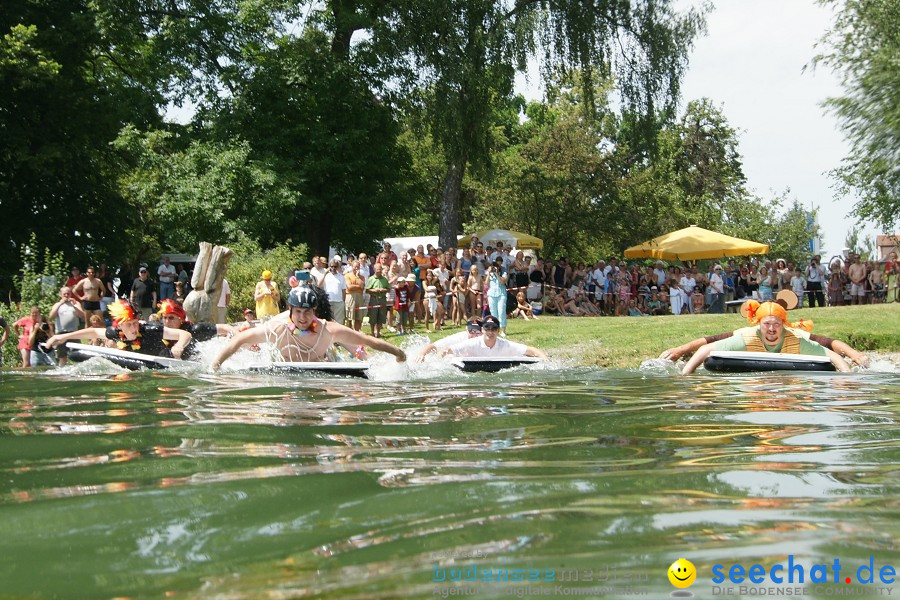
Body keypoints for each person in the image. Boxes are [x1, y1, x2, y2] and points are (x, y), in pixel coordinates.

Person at [211, 285, 406, 369]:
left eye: (307, 312)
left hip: (319, 372)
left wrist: (398, 352)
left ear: (315, 311)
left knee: (351, 352)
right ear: (290, 311)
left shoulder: (329, 329)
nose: (303, 318)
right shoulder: (276, 328)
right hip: (285, 377)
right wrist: (216, 365)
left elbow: (366, 340)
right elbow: (239, 340)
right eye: (298, 312)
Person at [677, 296, 853, 374]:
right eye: (766, 324)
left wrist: (847, 378)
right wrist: (686, 376)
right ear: (759, 323)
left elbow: (831, 354)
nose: (771, 328)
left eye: (776, 324)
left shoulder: (795, 340)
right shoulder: (748, 337)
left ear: (783, 324)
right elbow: (705, 349)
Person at [46, 299, 192, 360]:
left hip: (165, 361)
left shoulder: (149, 329)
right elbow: (94, 331)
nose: (135, 327)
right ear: (120, 325)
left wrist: (179, 345)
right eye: (129, 324)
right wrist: (62, 337)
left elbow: (185, 334)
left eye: (135, 322)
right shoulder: (117, 332)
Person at [156, 299, 234, 358]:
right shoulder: (160, 331)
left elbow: (224, 327)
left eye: (171, 318)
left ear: (181, 319)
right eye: (164, 318)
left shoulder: (195, 330)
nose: (167, 321)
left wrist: (238, 336)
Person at [442, 315, 546, 359]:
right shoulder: (472, 343)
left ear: (498, 331)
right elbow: (448, 350)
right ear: (482, 330)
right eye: (487, 328)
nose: (490, 332)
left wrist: (545, 360)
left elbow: (531, 350)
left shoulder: (506, 344)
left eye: (494, 329)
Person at [415, 318, 483, 362]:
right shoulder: (460, 337)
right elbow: (433, 346)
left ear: (483, 332)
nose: (474, 335)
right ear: (466, 330)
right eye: (471, 331)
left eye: (477, 332)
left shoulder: (486, 340)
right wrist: (422, 354)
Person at [49, 286, 85, 366]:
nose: (66, 295)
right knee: (62, 356)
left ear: (70, 294)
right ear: (61, 295)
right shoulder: (57, 305)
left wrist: (74, 306)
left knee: (77, 355)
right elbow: (51, 317)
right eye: (64, 294)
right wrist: (60, 303)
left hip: (74, 333)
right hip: (61, 333)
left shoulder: (76, 303)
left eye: (68, 294)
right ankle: (61, 372)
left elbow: (81, 315)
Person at [365, 262, 390, 338]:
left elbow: (388, 289)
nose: (378, 271)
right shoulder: (371, 279)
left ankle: (378, 332)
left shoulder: (384, 279)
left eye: (380, 269)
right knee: (373, 316)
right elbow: (367, 290)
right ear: (374, 269)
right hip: (374, 299)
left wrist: (383, 290)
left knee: (381, 315)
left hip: (382, 299)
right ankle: (372, 332)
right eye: (377, 269)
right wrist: (374, 290)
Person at [485, 258, 509, 336]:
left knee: (501, 311)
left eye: (497, 265)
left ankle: (503, 330)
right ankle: (495, 329)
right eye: (494, 265)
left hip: (501, 293)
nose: (495, 267)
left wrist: (496, 273)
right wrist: (489, 273)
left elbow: (503, 282)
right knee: (493, 312)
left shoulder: (503, 271)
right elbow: (486, 283)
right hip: (492, 294)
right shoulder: (490, 271)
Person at [322, 258, 347, 326]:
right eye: (331, 266)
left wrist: (343, 301)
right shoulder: (326, 276)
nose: (333, 268)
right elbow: (319, 284)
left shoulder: (341, 277)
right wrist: (325, 273)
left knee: (339, 322)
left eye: (335, 266)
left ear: (338, 267)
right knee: (328, 322)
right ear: (329, 266)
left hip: (339, 302)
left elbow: (344, 290)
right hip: (328, 302)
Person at [344, 260, 366, 331]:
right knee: (349, 316)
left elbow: (362, 287)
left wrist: (357, 277)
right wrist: (358, 286)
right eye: (355, 266)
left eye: (358, 267)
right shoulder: (347, 275)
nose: (356, 268)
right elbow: (349, 287)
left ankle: (357, 332)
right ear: (351, 267)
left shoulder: (362, 277)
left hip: (359, 296)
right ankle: (349, 332)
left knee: (358, 316)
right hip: (350, 296)